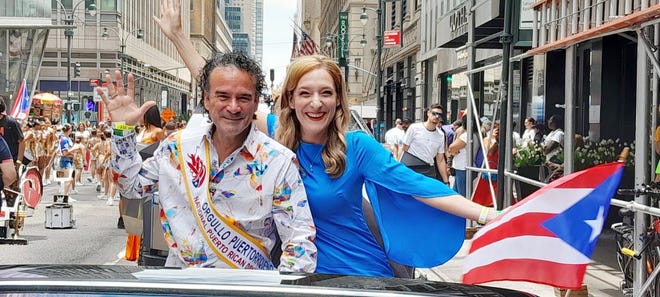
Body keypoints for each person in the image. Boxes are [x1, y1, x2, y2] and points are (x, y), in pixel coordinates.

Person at [154, 1, 497, 277]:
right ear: (290, 98)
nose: (316, 103)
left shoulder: (357, 148)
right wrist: (177, 37)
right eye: (305, 93)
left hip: (359, 275)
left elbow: (418, 187)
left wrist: (487, 215)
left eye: (326, 93)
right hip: (298, 276)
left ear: (338, 100)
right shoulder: (275, 136)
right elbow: (225, 92)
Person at [101, 51, 317, 271]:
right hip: (183, 285)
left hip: (249, 291)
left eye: (243, 98)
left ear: (255, 103)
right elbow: (131, 187)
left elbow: (299, 242)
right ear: (206, 99)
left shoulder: (278, 162)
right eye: (223, 96)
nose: (233, 107)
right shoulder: (176, 147)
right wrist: (122, 130)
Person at [400, 103, 450, 184]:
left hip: (429, 169)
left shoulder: (441, 135)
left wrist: (446, 181)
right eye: (434, 113)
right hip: (412, 168)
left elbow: (440, 159)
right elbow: (403, 149)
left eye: (439, 115)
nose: (437, 116)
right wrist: (399, 167)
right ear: (428, 113)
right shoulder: (414, 128)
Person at [472, 120, 500, 207]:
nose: (496, 130)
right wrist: (494, 141)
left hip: (498, 166)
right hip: (489, 167)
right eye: (495, 128)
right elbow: (490, 152)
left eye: (498, 128)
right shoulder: (487, 139)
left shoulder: (504, 140)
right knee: (485, 194)